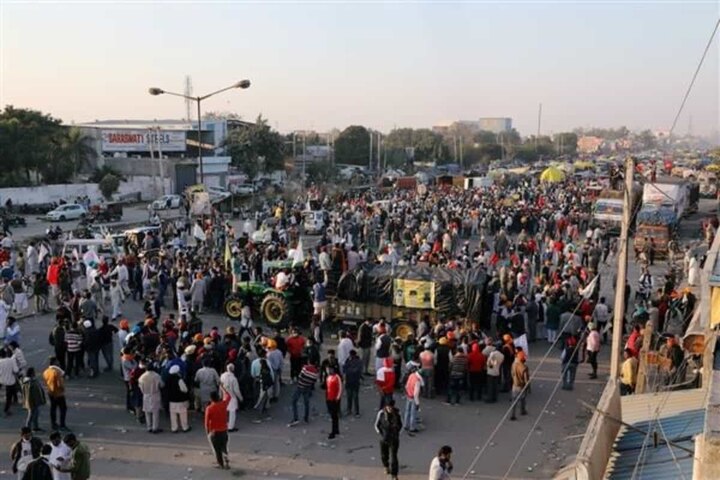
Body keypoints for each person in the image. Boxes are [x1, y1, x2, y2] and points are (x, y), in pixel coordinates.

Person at [374, 398, 402, 480]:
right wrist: (381, 434)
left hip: (394, 439)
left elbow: (401, 425)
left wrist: (397, 433)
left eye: (391, 407)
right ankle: (386, 466)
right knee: (384, 455)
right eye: (388, 407)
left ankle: (394, 475)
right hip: (384, 439)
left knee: (394, 457)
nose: (389, 409)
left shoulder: (397, 413)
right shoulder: (381, 413)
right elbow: (376, 425)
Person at [205, 389, 231, 470]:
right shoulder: (223, 404)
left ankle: (221, 464)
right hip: (224, 430)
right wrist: (223, 388)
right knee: (224, 446)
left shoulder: (209, 408)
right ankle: (226, 458)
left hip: (215, 432)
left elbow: (206, 422)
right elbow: (229, 396)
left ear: (211, 399)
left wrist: (208, 432)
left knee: (217, 449)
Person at [289, 359, 318, 426]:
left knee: (294, 401)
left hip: (300, 386)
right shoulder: (315, 372)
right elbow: (314, 381)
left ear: (309, 362)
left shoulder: (305, 368)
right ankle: (306, 418)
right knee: (306, 403)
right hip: (307, 387)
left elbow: (300, 376)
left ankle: (296, 418)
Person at [43, 357, 67, 431]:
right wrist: (63, 389)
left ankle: (53, 424)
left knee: (53, 408)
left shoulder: (46, 371)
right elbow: (60, 384)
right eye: (57, 361)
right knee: (63, 408)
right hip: (58, 393)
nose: (58, 363)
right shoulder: (56, 372)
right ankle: (62, 424)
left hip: (50, 392)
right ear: (54, 363)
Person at [138, 363, 164, 433]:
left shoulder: (142, 377)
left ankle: (149, 427)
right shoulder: (156, 376)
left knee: (147, 412)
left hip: (146, 395)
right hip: (155, 395)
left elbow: (140, 387)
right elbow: (162, 385)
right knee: (155, 413)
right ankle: (155, 428)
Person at [167, 364, 191, 432]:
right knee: (183, 414)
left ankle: (174, 428)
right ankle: (185, 427)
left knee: (173, 415)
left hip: (171, 400)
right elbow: (184, 389)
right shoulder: (179, 379)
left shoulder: (168, 379)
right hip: (180, 400)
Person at [21, 367, 46, 432]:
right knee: (31, 415)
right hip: (32, 402)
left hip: (34, 401)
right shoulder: (29, 382)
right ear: (32, 373)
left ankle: (35, 427)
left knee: (36, 414)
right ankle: (27, 428)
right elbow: (31, 394)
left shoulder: (31, 381)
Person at [220, 363, 243, 432]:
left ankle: (224, 424)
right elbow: (236, 390)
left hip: (225, 395)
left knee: (225, 411)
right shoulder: (233, 378)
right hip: (232, 396)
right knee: (232, 412)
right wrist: (240, 398)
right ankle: (231, 427)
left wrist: (220, 395)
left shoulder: (222, 376)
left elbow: (220, 385)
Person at [403, 364, 423, 435]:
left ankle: (405, 425)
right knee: (413, 413)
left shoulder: (411, 376)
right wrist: (418, 404)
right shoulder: (417, 381)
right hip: (413, 398)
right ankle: (412, 427)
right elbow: (416, 394)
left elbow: (406, 386)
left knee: (407, 411)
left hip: (408, 396)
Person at [510, 350, 530, 421]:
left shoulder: (514, 364)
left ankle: (512, 415)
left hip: (515, 385)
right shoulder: (524, 367)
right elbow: (526, 379)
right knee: (523, 399)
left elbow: (512, 374)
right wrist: (528, 387)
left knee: (514, 400)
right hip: (522, 386)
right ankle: (522, 410)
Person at [343, 349, 362, 417]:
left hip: (351, 381)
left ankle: (350, 410)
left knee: (351, 396)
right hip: (355, 381)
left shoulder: (350, 361)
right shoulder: (358, 361)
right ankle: (356, 411)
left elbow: (345, 370)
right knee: (354, 397)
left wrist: (349, 371)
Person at [1, 346, 19, 415]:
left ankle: (15, 399)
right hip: (10, 381)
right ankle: (6, 409)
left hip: (1, 380)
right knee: (9, 396)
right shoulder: (11, 360)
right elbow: (16, 370)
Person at [325, 365, 342, 439]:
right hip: (329, 398)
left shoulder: (337, 377)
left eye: (329, 369)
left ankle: (333, 432)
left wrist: (337, 398)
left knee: (334, 416)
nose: (328, 371)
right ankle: (336, 429)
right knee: (333, 415)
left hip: (334, 399)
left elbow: (340, 388)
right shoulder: (328, 377)